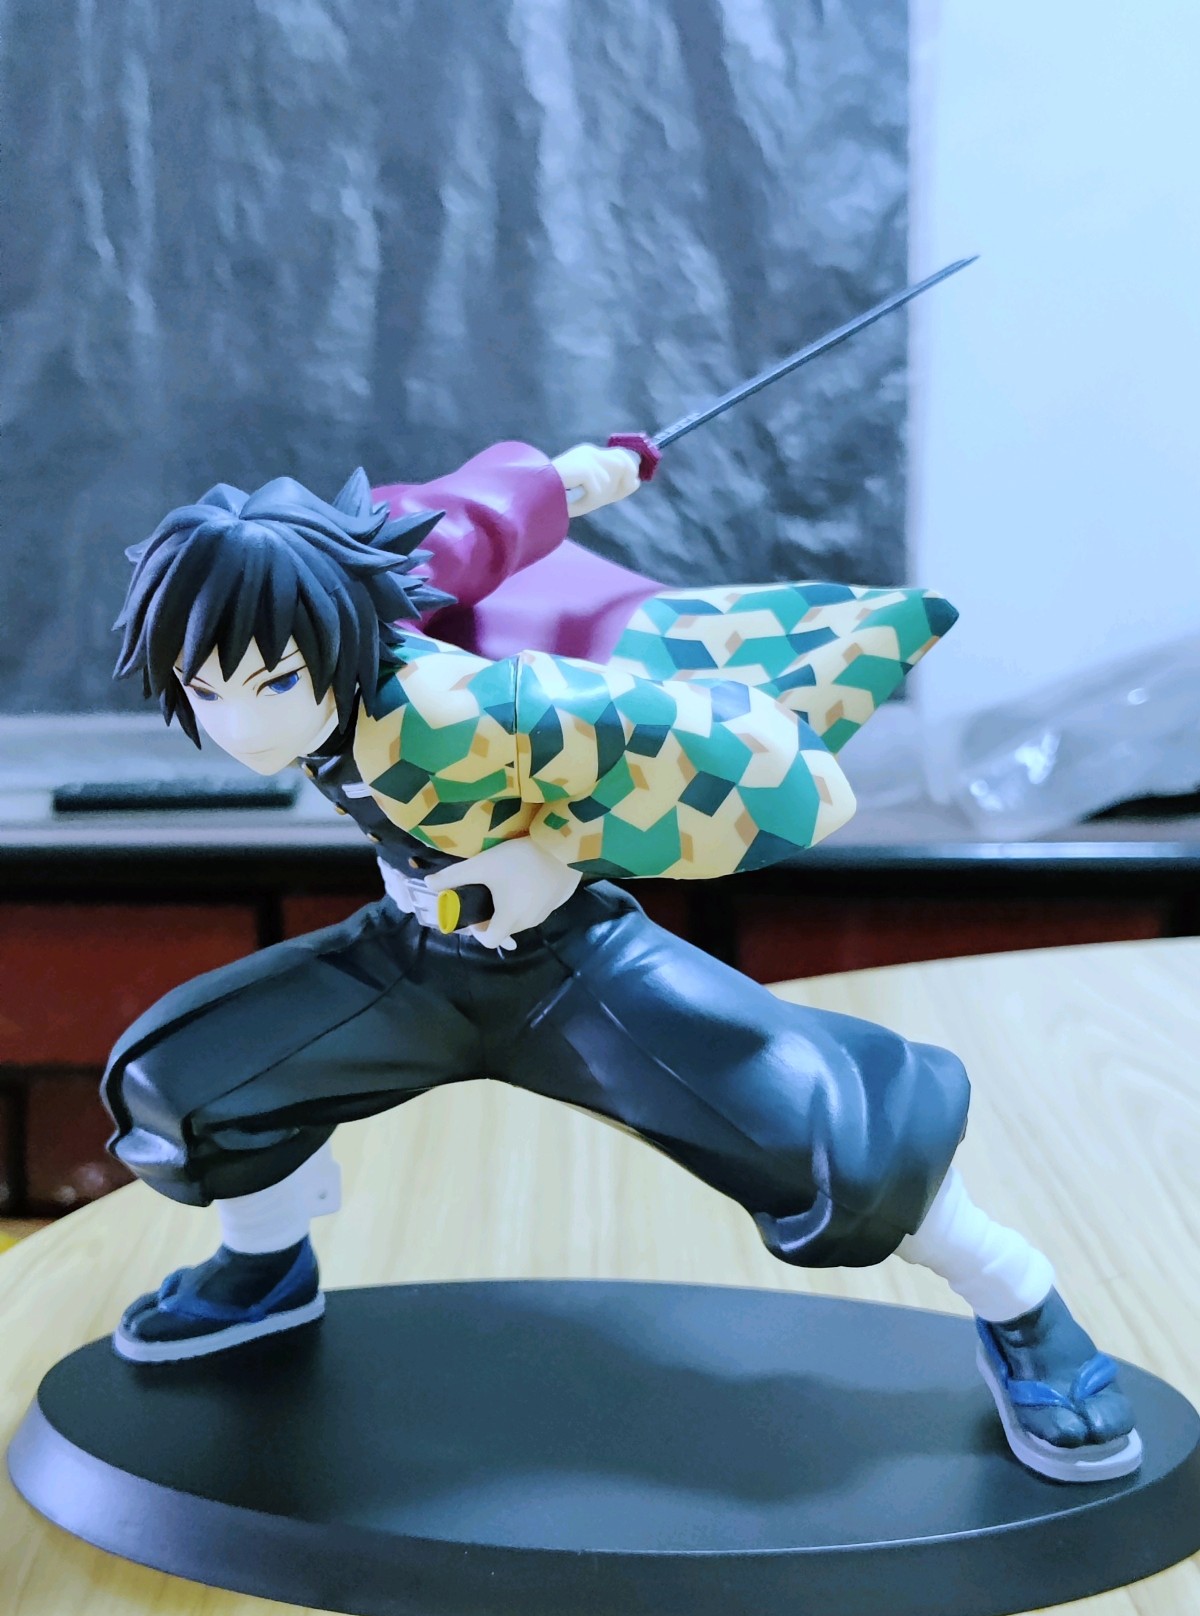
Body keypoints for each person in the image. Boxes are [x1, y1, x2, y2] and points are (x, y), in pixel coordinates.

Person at [102, 438, 1140, 1483]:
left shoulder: (466, 708)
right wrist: (590, 472)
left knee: (832, 1138)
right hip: (416, 960)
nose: (240, 724)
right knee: (186, 1076)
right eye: (205, 687)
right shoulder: (354, 596)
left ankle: (1022, 1300)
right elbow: (473, 518)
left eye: (274, 681)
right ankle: (266, 1262)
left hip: (567, 969)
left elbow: (729, 753)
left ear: (329, 637)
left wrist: (566, 845)